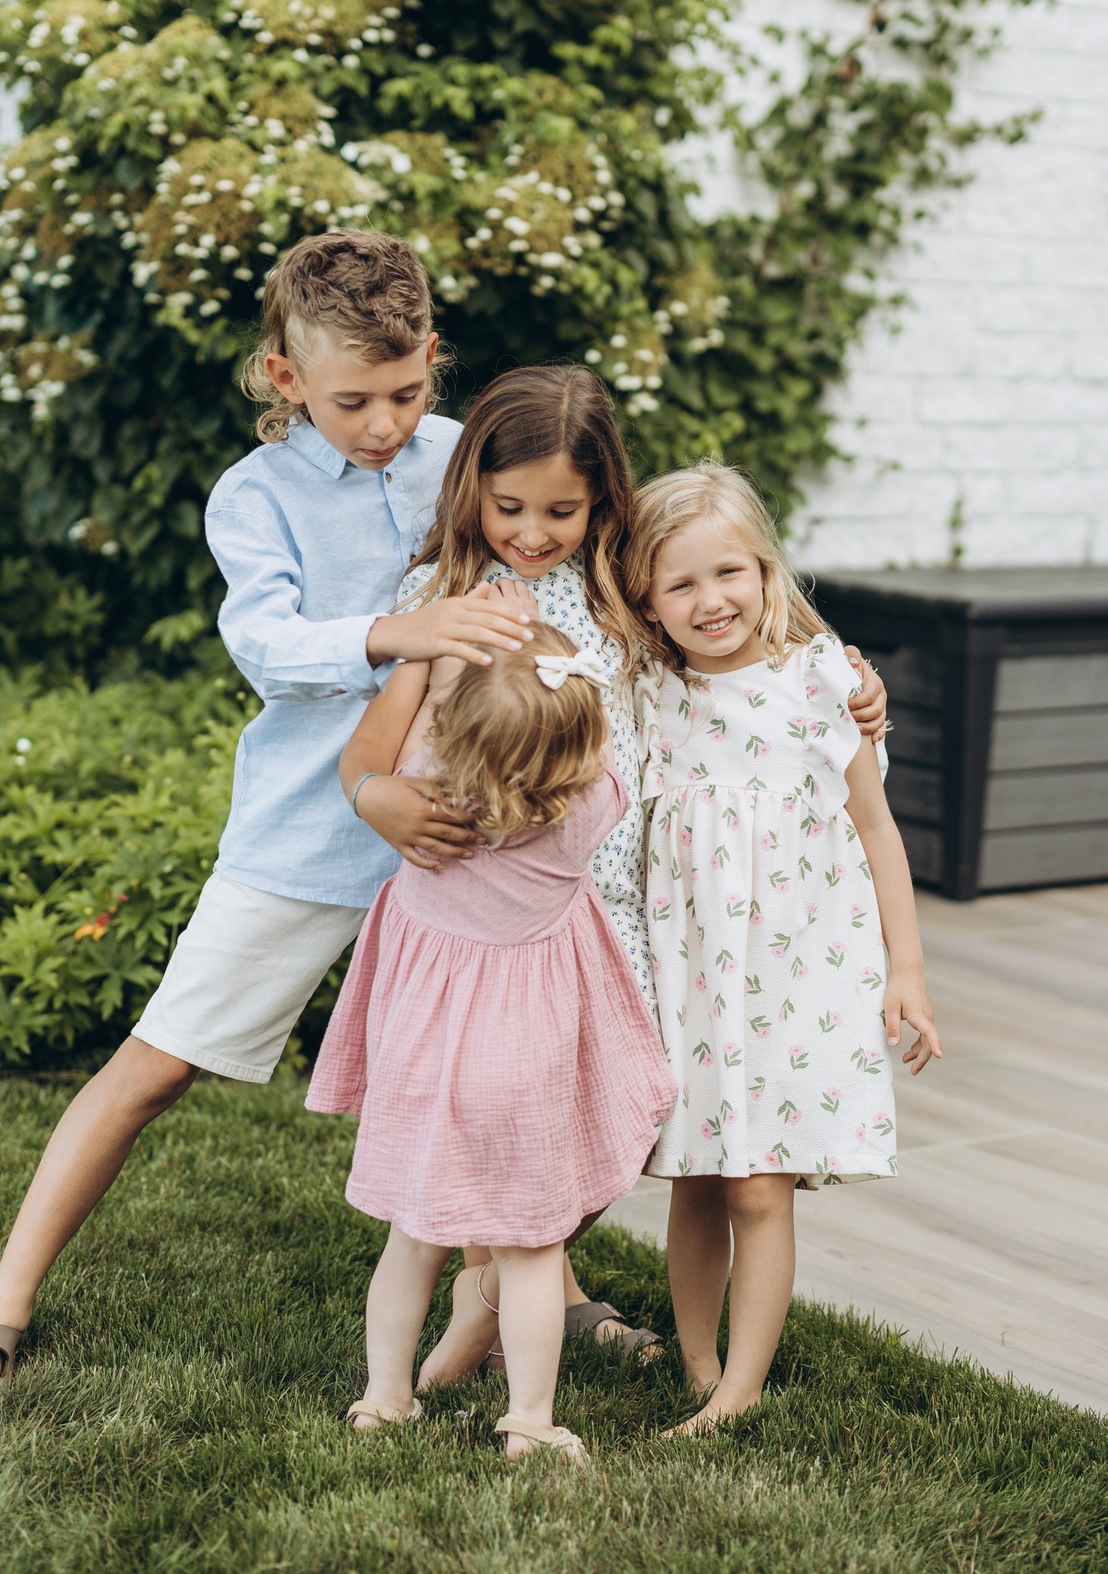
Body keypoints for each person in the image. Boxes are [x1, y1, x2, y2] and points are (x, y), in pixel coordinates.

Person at [0, 230, 537, 1408]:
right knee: (154, 1067)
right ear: (285, 377)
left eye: (406, 392)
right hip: (309, 831)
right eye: (353, 399)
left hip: (469, 835)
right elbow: (263, 644)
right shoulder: (254, 496)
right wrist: (401, 633)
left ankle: (540, 1295)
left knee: (501, 1071)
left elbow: (571, 558)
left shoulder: (466, 458)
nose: (385, 422)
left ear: (435, 361)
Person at [341, 365, 890, 1384]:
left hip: (621, 912)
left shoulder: (620, 589)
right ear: (472, 492)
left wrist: (853, 688)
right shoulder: (446, 601)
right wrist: (376, 798)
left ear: (602, 502)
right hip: (496, 909)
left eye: (562, 509)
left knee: (617, 1122)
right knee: (515, 1120)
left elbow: (745, 646)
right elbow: (370, 751)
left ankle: (488, 1291)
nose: (534, 531)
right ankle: (491, 1294)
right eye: (509, 507)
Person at [624, 459, 943, 1436]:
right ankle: (694, 1359)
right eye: (680, 583)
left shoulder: (818, 682)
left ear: (766, 571)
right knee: (695, 1174)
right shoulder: (645, 693)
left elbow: (876, 829)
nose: (710, 599)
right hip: (689, 979)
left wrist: (908, 970)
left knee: (761, 1182)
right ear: (645, 595)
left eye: (730, 573)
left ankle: (740, 1390)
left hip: (794, 972)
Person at [310, 624, 674, 1463]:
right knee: (531, 1250)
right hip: (525, 1061)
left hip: (424, 1056)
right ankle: (531, 1421)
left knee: (414, 1237)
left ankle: (384, 1397)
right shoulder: (590, 806)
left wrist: (437, 670)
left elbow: (400, 741)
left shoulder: (426, 798)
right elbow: (607, 764)